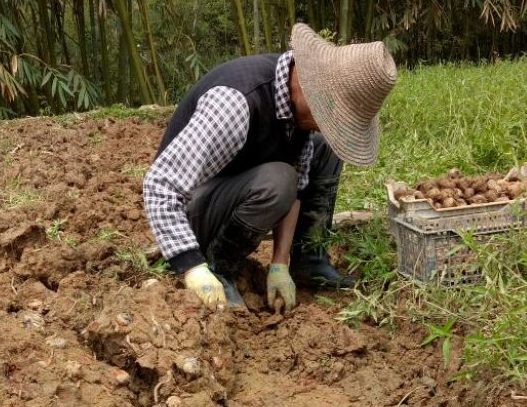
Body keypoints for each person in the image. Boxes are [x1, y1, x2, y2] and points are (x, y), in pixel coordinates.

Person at [142, 23, 397, 310]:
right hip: (191, 215)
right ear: (311, 91)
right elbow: (160, 184)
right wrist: (191, 266)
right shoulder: (234, 104)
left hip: (238, 189)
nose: (327, 124)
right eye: (331, 116)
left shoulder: (292, 104)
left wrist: (280, 264)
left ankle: (309, 261)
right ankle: (219, 266)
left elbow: (297, 191)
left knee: (323, 149)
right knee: (279, 178)